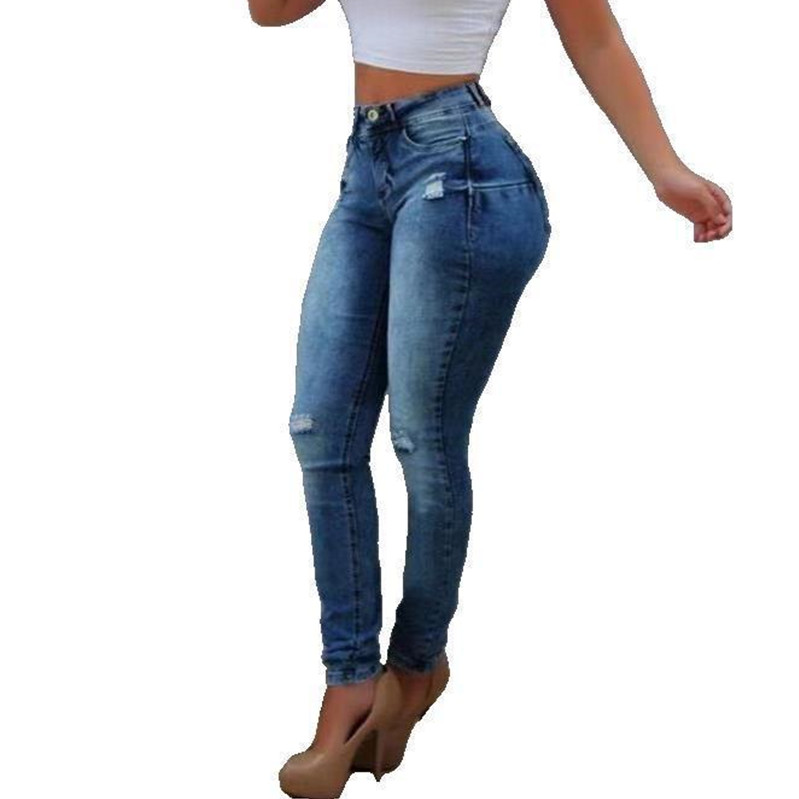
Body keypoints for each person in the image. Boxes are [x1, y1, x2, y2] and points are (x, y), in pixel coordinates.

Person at [248, 0, 733, 796]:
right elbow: (267, 12)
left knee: (421, 436)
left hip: (464, 173)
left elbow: (594, 36)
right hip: (367, 166)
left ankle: (415, 662)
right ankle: (351, 676)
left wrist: (663, 168)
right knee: (320, 430)